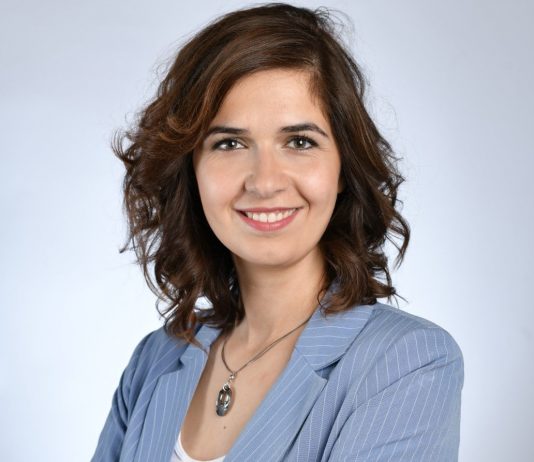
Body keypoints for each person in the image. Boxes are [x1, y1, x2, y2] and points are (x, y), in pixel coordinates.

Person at [91, 3, 464, 461]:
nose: (265, 182)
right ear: (191, 169)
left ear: (343, 167)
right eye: (230, 143)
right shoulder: (154, 361)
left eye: (299, 142)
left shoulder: (407, 363)